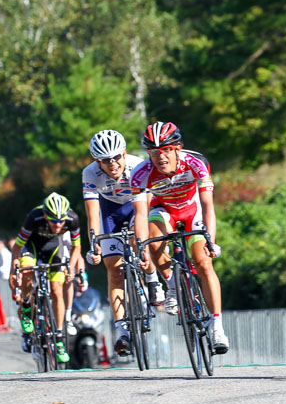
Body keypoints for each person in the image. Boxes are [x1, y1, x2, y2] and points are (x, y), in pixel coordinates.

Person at [131, 121, 230, 354]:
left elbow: (207, 206)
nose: (160, 157)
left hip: (192, 209)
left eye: (165, 149)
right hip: (163, 209)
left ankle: (217, 327)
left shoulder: (196, 162)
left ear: (177, 148)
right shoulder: (140, 174)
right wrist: (141, 248)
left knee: (203, 263)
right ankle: (173, 286)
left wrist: (211, 240)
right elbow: (140, 214)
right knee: (152, 241)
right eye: (154, 152)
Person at [82, 129, 164, 353]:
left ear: (124, 153)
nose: (112, 164)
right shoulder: (89, 174)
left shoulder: (137, 166)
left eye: (116, 157)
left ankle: (152, 278)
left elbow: (144, 209)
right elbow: (93, 214)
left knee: (141, 244)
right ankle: (122, 332)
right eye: (105, 160)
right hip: (109, 211)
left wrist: (141, 238)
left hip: (136, 207)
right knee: (114, 269)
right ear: (96, 160)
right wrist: (94, 244)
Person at [9, 192, 82, 364]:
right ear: (45, 216)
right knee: (27, 272)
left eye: (61, 221)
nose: (58, 225)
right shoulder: (33, 218)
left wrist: (70, 268)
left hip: (53, 249)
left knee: (57, 289)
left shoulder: (72, 219)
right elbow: (17, 246)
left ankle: (58, 337)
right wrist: (14, 270)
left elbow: (77, 248)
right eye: (54, 221)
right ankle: (27, 306)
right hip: (31, 247)